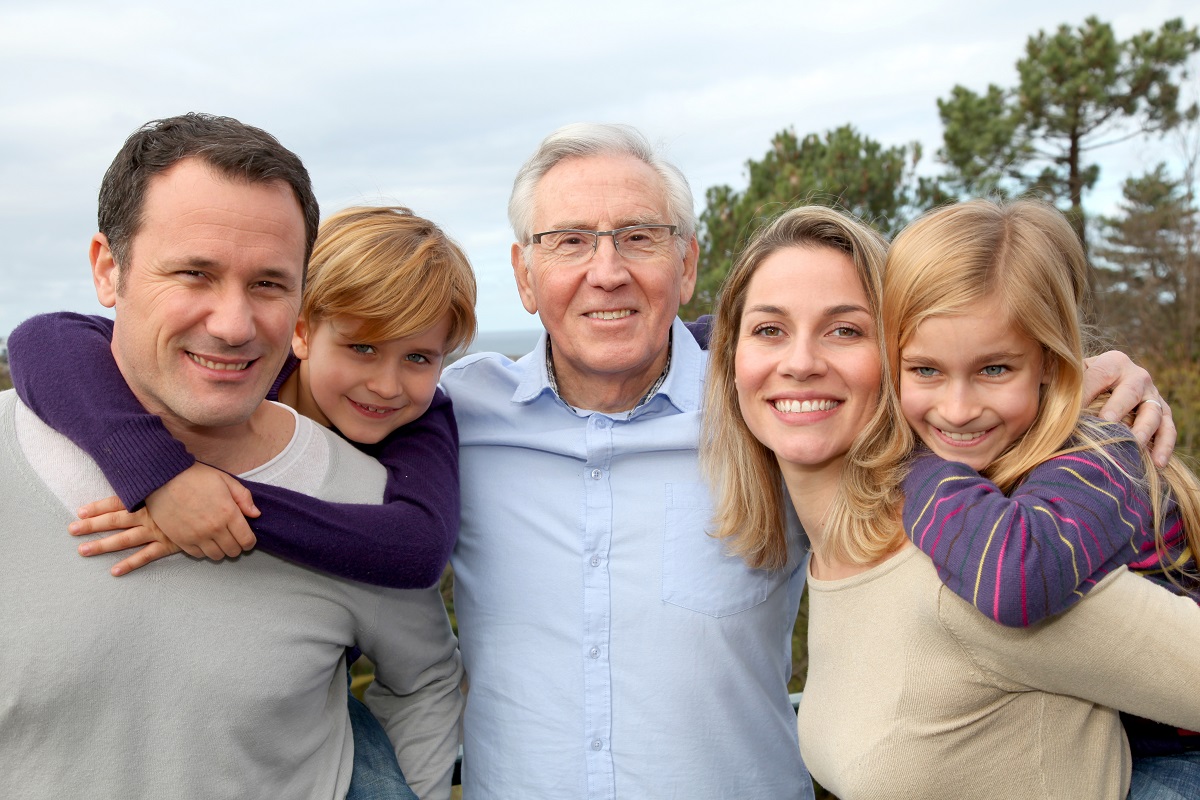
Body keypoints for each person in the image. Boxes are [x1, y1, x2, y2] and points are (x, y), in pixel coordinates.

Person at [7, 121, 1173, 798]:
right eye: (569, 240)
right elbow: (61, 337)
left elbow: (959, 375)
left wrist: (1096, 398)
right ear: (524, 274)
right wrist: (155, 466)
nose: (605, 269)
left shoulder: (776, 410)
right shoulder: (448, 410)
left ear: (686, 258)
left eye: (638, 238)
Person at [0, 114, 463, 800]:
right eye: (194, 273)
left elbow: (425, 651)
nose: (234, 323)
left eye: (269, 284)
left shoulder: (382, 469)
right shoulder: (66, 389)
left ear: (297, 301)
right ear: (108, 268)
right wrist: (161, 474)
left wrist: (218, 500)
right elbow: (45, 336)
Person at [703, 203, 1200, 799]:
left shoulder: (976, 556)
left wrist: (1072, 394)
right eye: (768, 329)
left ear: (893, 356)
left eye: (846, 330)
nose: (801, 361)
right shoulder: (835, 554)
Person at [884, 198, 1200, 795]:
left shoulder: (1104, 454)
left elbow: (1015, 577)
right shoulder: (1003, 443)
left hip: (1176, 757)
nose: (956, 407)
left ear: (1052, 364)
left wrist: (910, 462)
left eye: (995, 369)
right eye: (924, 370)